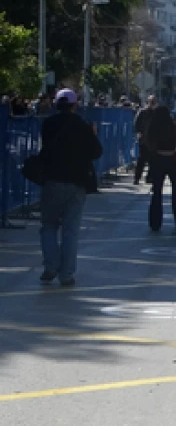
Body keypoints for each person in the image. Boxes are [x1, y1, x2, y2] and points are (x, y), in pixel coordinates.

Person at [36, 89, 102, 286]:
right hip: (77, 182)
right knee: (70, 230)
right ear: (75, 105)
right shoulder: (82, 126)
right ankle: (67, 274)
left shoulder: (48, 124)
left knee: (48, 226)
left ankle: (50, 266)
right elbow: (96, 152)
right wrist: (92, 135)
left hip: (52, 180)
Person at [145, 104, 176, 232]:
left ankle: (155, 222)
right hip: (173, 160)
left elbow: (147, 144)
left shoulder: (152, 127)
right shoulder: (173, 127)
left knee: (157, 192)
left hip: (157, 160)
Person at [133, 95, 156, 183]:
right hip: (144, 140)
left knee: (152, 160)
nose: (152, 104)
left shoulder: (156, 113)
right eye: (151, 102)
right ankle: (137, 178)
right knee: (141, 160)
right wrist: (139, 133)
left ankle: (149, 177)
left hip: (153, 141)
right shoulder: (142, 112)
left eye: (154, 102)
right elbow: (136, 123)